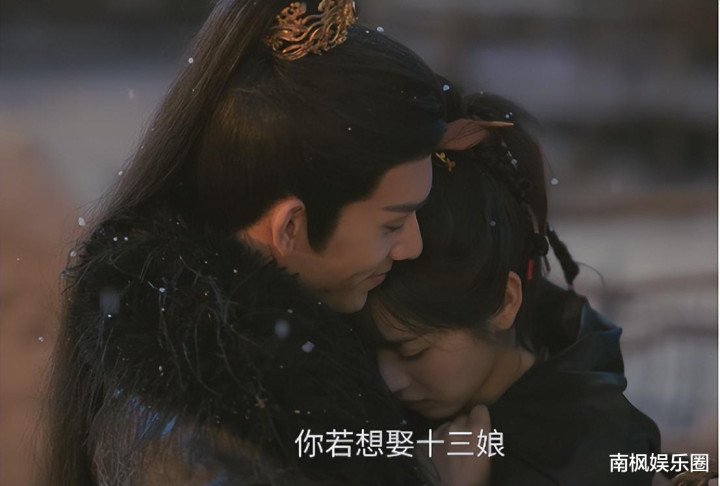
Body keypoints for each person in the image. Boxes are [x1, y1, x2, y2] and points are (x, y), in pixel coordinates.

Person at [43, 1, 449, 484]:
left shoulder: (185, 362)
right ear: (290, 227)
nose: (411, 247)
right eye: (391, 225)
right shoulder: (214, 445)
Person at [356, 84, 661, 485]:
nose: (390, 379)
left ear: (503, 302)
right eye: (372, 350)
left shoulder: (592, 451)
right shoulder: (375, 415)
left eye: (413, 351)